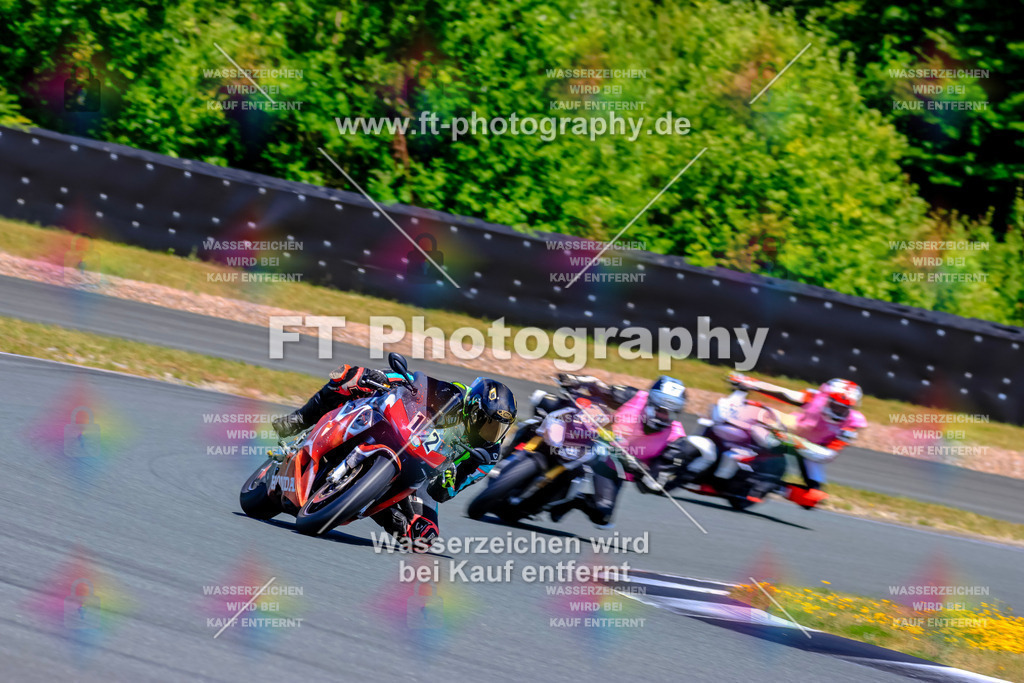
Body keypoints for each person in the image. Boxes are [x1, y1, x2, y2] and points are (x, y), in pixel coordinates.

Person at [272, 364, 517, 546]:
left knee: (424, 537)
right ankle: (300, 420)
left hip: (424, 475)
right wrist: (387, 378)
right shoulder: (453, 394)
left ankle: (366, 501)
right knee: (351, 375)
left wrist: (452, 475)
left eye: (500, 428)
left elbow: (442, 493)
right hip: (402, 432)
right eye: (488, 423)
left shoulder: (487, 455)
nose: (493, 432)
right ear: (473, 409)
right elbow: (416, 384)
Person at [538, 373, 689, 528]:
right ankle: (525, 445)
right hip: (589, 439)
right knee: (547, 402)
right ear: (649, 401)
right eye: (659, 409)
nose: (663, 416)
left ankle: (575, 500)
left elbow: (652, 483)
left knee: (602, 516)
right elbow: (599, 388)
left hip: (613, 466)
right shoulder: (634, 397)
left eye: (670, 413)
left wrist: (639, 469)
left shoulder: (676, 441)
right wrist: (576, 381)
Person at [684, 374, 866, 495]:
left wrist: (795, 443)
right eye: (835, 405)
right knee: (755, 413)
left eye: (844, 408)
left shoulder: (853, 424)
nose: (838, 411)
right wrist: (752, 383)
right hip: (795, 427)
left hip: (814, 451)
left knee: (814, 495)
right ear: (828, 399)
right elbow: (784, 393)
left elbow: (828, 455)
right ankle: (720, 453)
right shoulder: (815, 398)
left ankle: (774, 486)